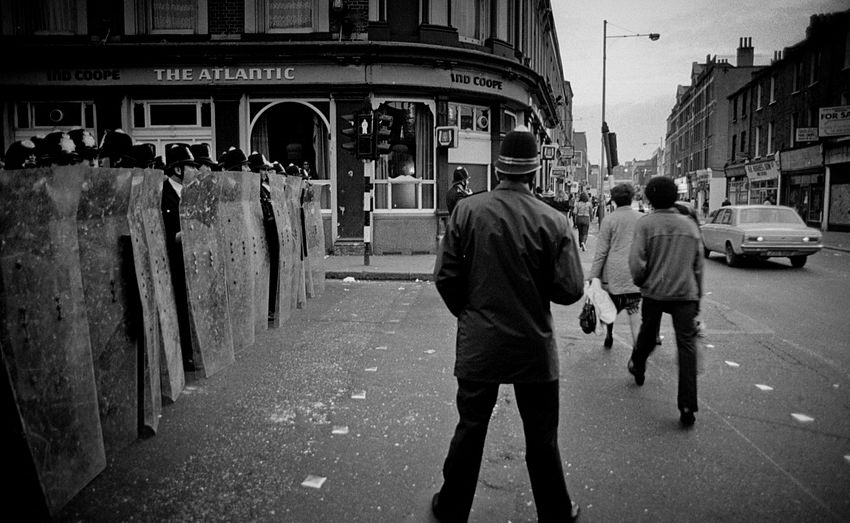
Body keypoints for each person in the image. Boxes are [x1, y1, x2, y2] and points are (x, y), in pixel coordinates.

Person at [432, 126, 584, 523]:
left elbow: (446, 277)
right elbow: (569, 290)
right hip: (533, 347)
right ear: (536, 172)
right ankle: (555, 511)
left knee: (470, 429)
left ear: (498, 170)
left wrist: (469, 314)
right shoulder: (554, 221)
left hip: (480, 343)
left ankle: (451, 508)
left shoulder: (467, 210)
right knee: (541, 437)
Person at [627, 176, 703, 427]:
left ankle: (638, 365)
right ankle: (687, 405)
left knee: (648, 335)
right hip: (685, 293)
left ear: (649, 197)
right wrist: (697, 296)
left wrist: (641, 282)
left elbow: (637, 261)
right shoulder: (690, 225)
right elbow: (698, 266)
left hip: (655, 292)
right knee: (687, 348)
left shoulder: (646, 224)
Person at [161, 143, 201, 371]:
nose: (195, 171)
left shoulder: (193, 193)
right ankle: (184, 354)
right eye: (191, 167)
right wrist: (185, 233)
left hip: (194, 261)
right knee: (180, 310)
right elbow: (161, 236)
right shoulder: (162, 194)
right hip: (174, 263)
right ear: (178, 170)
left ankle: (195, 348)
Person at [588, 183, 642, 350]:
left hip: (613, 276)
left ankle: (609, 335)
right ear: (631, 198)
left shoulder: (609, 220)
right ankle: (638, 353)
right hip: (634, 274)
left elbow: (601, 253)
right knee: (634, 314)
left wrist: (593, 277)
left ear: (614, 200)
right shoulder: (641, 219)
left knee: (610, 308)